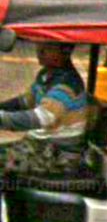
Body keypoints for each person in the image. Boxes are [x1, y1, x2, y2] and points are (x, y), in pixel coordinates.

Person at [0, 42, 87, 176]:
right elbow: (25, 101)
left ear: (65, 52)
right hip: (41, 146)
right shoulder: (46, 75)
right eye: (40, 45)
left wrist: (2, 118)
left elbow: (42, 117)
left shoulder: (67, 83)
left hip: (57, 155)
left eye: (48, 47)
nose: (40, 50)